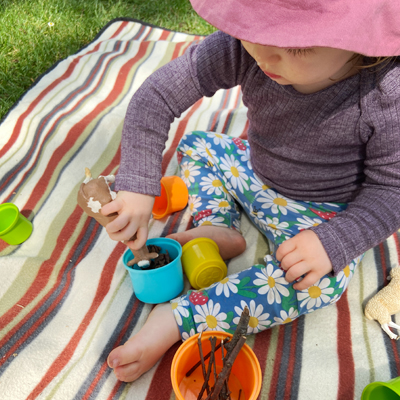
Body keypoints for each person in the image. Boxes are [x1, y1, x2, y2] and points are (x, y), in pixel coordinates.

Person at [100, 0, 400, 382]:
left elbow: (391, 188)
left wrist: (333, 243)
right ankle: (218, 225)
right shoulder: (246, 47)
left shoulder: (385, 91)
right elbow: (157, 97)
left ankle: (181, 317)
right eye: (254, 30)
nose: (264, 54)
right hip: (255, 174)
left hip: (319, 214)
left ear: (363, 41)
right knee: (196, 144)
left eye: (297, 47)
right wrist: (136, 185)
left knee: (319, 285)